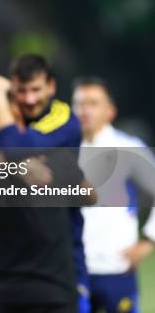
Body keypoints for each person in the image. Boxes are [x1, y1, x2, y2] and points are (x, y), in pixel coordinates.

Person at [0, 54, 90, 313]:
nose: (30, 100)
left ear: (52, 87)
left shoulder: (63, 120)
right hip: (9, 272)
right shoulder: (6, 120)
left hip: (62, 264)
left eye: (36, 90)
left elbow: (15, 147)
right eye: (21, 91)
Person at [73, 77, 155, 313]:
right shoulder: (64, 150)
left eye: (93, 103)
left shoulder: (127, 148)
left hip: (115, 268)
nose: (85, 110)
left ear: (110, 111)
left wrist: (148, 241)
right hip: (73, 268)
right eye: (79, 103)